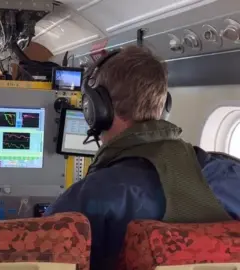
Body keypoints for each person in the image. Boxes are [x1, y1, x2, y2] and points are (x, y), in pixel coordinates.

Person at [44, 46, 240, 270]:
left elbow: (37, 256)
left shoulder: (90, 197)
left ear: (96, 108)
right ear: (164, 106)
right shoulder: (232, 175)